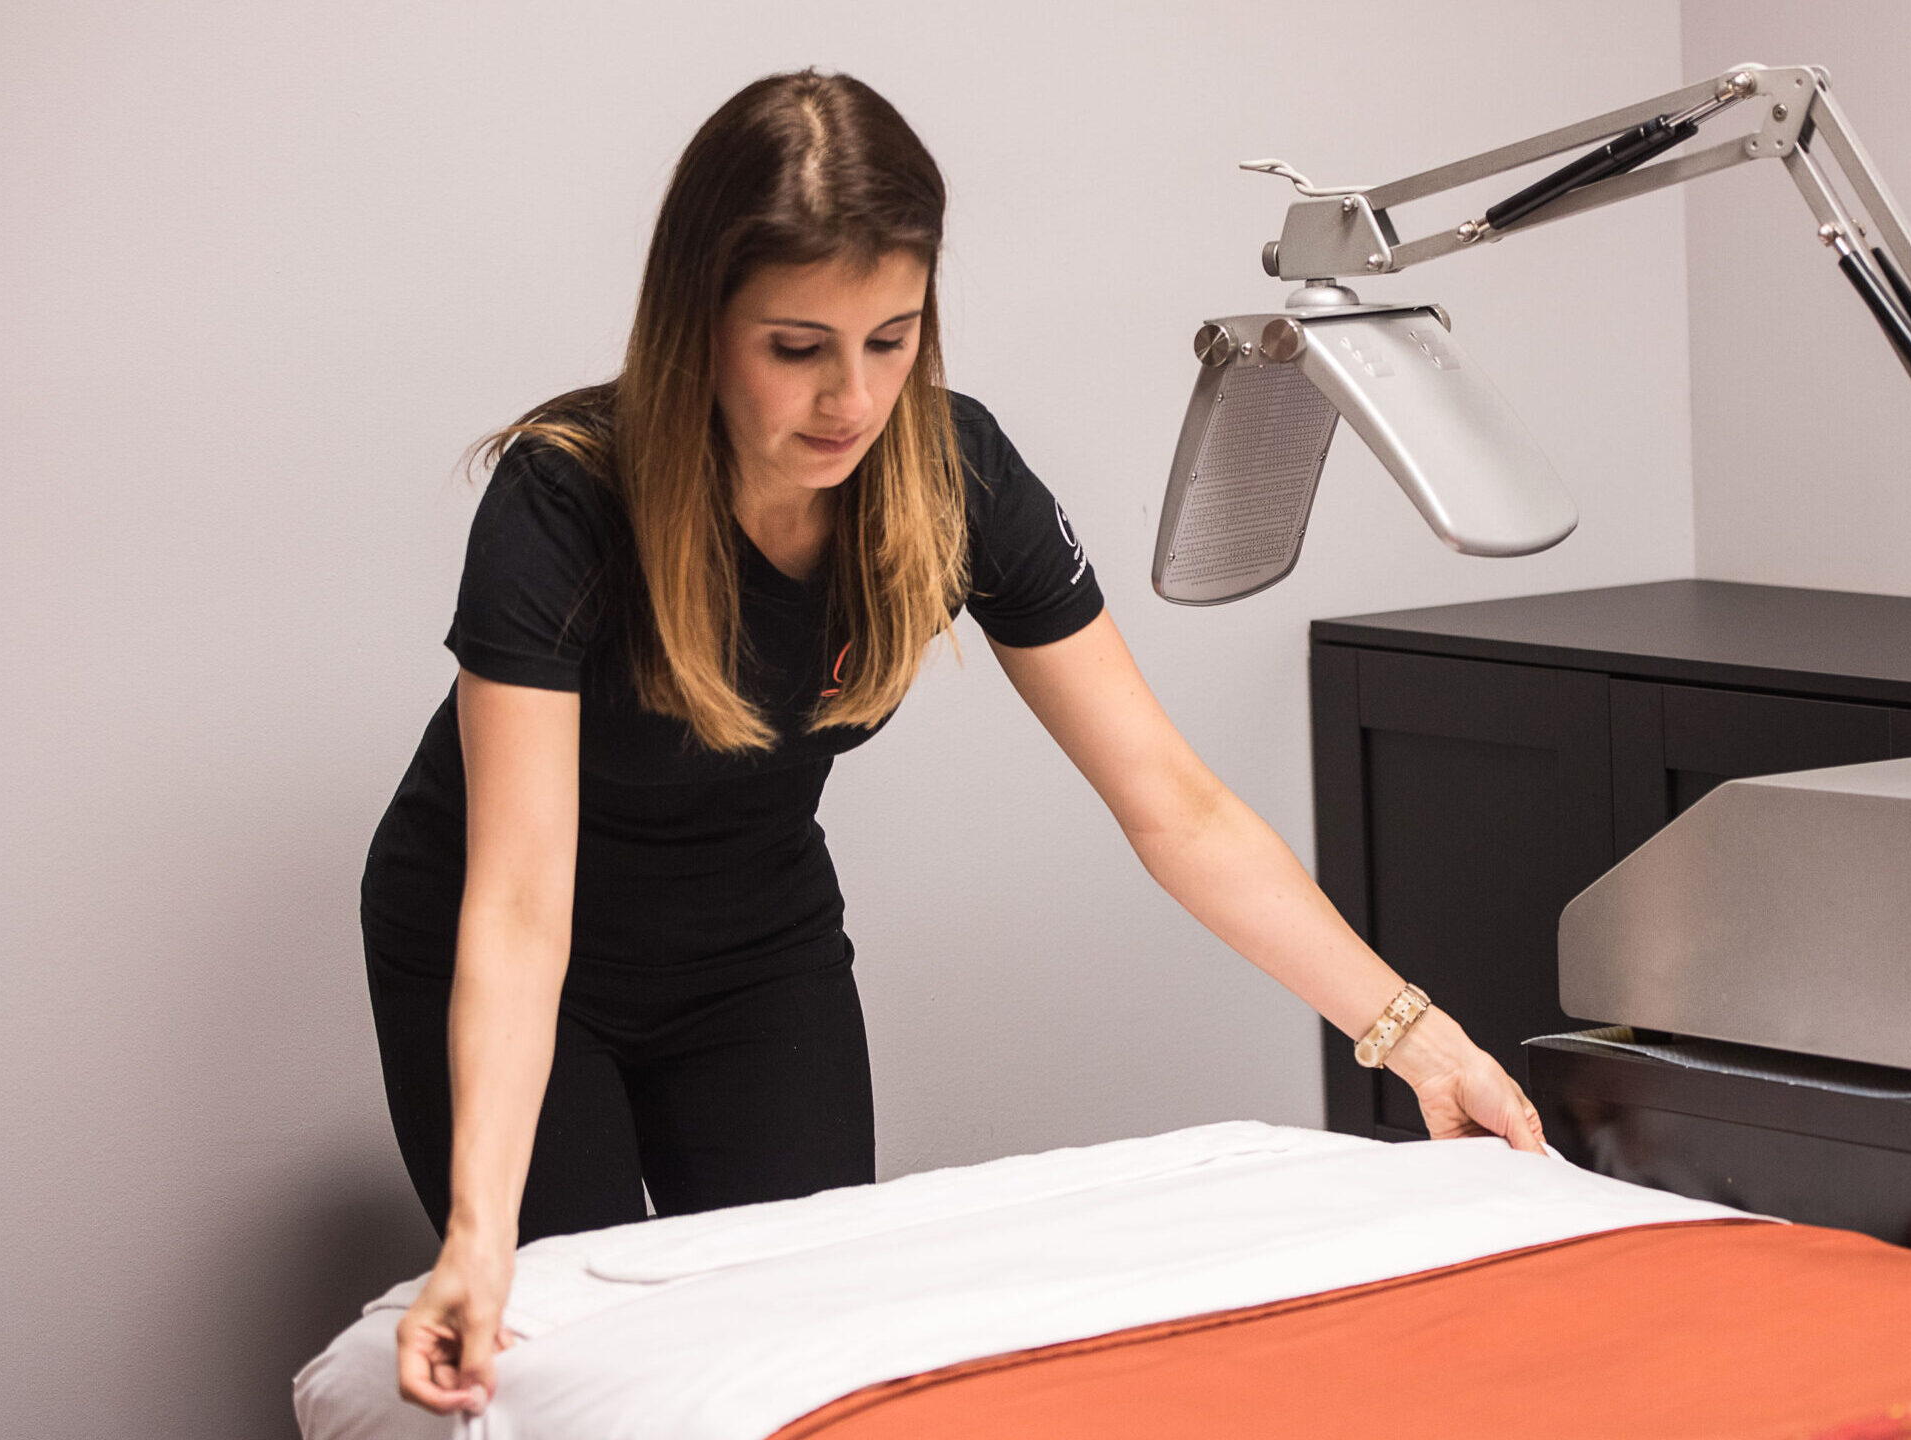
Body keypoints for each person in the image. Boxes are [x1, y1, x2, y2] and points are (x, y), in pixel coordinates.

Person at [358, 67, 1548, 1418]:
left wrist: (1412, 1034)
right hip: (516, 949)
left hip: (753, 951)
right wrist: (475, 1237)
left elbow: (1173, 803)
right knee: (577, 1356)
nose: (850, 400)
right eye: (796, 346)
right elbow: (517, 906)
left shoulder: (954, 471)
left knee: (802, 1356)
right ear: (698, 322)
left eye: (892, 339)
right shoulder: (563, 498)